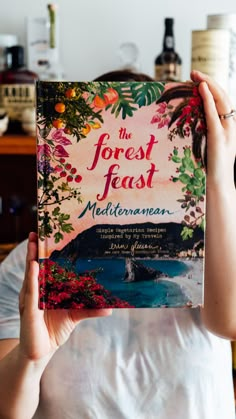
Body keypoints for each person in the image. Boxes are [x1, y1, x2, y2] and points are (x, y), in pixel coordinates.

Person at [0, 69, 236, 419]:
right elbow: (9, 410)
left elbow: (229, 321)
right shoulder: (26, 268)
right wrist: (31, 358)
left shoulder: (208, 250)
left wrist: (218, 175)